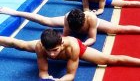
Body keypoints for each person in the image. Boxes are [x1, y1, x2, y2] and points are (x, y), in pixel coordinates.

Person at [1, 29, 140, 80]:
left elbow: (70, 75)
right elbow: (43, 72)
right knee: (19, 44)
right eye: (48, 51)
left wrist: (59, 80)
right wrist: (47, 79)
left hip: (78, 47)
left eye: (54, 50)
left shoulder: (72, 46)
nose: (52, 55)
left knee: (108, 60)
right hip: (47, 44)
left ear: (61, 44)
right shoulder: (40, 47)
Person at [1, 7, 140, 46]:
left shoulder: (91, 18)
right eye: (76, 30)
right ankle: (15, 12)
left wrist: (83, 44)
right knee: (46, 21)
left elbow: (92, 38)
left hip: (95, 23)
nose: (78, 32)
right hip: (71, 20)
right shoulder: (67, 18)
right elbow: (66, 35)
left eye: (79, 29)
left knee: (119, 29)